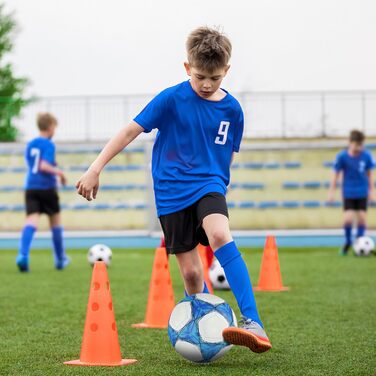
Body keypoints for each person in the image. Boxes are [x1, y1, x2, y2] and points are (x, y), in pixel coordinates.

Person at [76, 26, 271, 353]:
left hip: (209, 185)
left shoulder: (233, 110)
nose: (207, 85)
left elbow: (228, 154)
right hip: (170, 193)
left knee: (221, 235)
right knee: (193, 275)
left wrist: (219, 187)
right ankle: (206, 334)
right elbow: (129, 131)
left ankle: (253, 323)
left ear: (227, 71)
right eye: (200, 77)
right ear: (186, 68)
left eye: (215, 78)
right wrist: (95, 168)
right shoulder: (170, 99)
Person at [16, 112, 70, 272]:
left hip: (31, 187)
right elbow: (44, 166)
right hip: (46, 188)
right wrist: (60, 173)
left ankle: (23, 255)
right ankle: (60, 259)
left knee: (31, 221)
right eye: (54, 127)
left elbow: (32, 165)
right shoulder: (49, 144)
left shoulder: (30, 144)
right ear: (50, 126)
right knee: (55, 222)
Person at [328, 130, 375, 255]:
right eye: (356, 145)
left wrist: (372, 191)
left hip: (362, 192)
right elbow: (335, 174)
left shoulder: (367, 156)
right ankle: (348, 242)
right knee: (348, 218)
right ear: (350, 142)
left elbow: (370, 174)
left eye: (360, 145)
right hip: (348, 192)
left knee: (362, 218)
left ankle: (358, 243)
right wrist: (331, 192)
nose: (358, 148)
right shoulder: (342, 156)